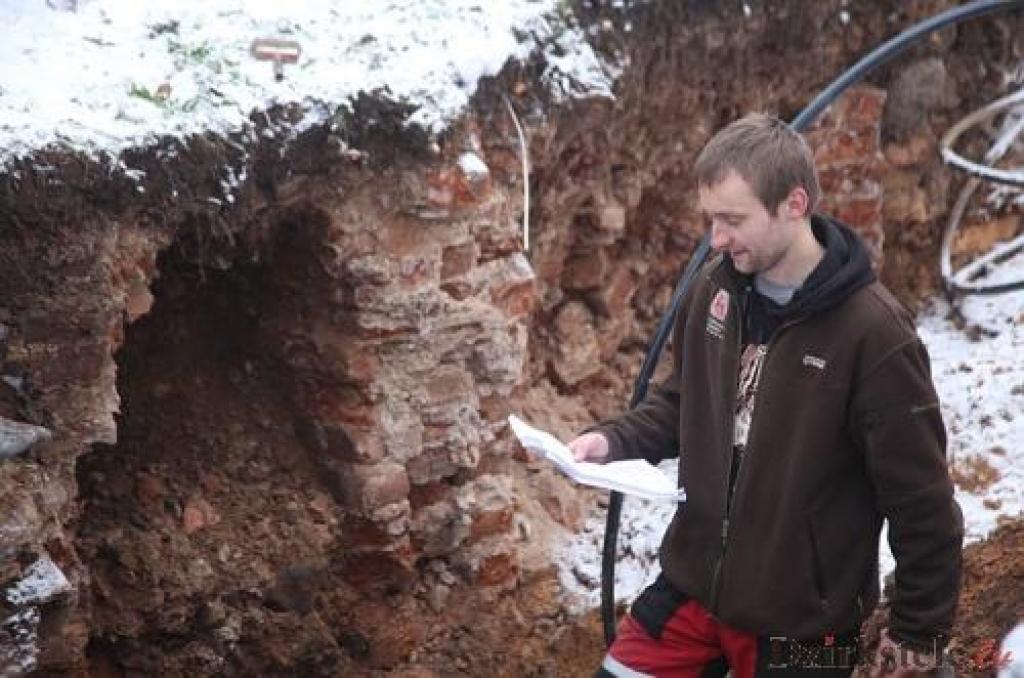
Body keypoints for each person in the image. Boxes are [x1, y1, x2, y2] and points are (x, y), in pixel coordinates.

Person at [569, 113, 963, 677]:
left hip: (805, 625)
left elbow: (921, 504)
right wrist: (610, 440)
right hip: (693, 587)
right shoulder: (715, 290)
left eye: (732, 219)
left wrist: (918, 634)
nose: (716, 239)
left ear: (794, 204)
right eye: (711, 219)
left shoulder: (874, 337)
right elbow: (684, 403)